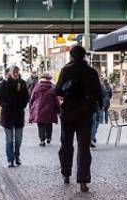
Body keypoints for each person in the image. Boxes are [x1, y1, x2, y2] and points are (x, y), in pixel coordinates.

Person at [55, 45, 102, 192]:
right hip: (85, 114)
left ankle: (66, 173)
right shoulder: (91, 72)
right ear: (84, 56)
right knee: (84, 148)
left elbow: (57, 90)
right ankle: (83, 180)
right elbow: (98, 93)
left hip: (68, 113)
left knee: (66, 144)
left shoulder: (66, 70)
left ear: (72, 56)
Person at [0, 66, 29, 168]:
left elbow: (26, 97)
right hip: (7, 115)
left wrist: (22, 105)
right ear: (10, 73)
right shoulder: (4, 84)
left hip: (19, 115)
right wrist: (5, 105)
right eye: (13, 72)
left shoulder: (22, 83)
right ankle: (10, 159)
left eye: (17, 72)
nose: (15, 74)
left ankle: (17, 157)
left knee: (18, 139)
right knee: (9, 139)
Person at [29, 72, 60, 147]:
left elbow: (32, 99)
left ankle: (42, 140)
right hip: (50, 109)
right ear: (49, 79)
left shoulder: (36, 87)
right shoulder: (52, 88)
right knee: (49, 124)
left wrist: (31, 109)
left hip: (39, 109)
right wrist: (58, 110)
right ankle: (48, 138)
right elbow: (56, 100)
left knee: (40, 125)